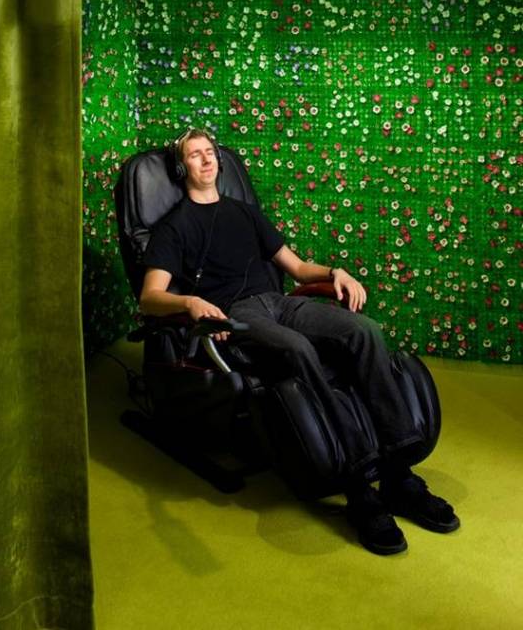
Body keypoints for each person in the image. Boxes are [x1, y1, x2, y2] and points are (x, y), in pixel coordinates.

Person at [139, 128, 460, 555]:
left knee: (364, 331)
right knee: (297, 350)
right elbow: (149, 297)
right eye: (194, 154)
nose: (206, 159)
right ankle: (358, 487)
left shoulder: (245, 213)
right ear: (182, 169)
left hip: (280, 302)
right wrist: (191, 302)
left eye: (210, 152)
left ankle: (399, 475)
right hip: (238, 315)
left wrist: (335, 273)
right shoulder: (174, 227)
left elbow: (297, 267)